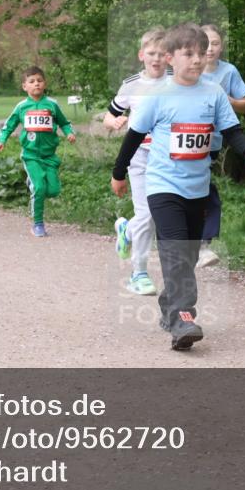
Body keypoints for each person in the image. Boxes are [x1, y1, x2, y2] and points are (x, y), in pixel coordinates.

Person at [111, 23, 245, 350]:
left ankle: (170, 308)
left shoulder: (212, 93)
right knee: (175, 249)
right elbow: (134, 137)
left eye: (200, 53)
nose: (196, 60)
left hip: (197, 188)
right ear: (170, 58)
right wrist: (119, 172)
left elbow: (233, 131)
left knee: (189, 253)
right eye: (188, 54)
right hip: (162, 185)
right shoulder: (157, 96)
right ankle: (184, 317)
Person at [104, 27, 167, 295]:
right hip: (139, 158)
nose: (156, 59)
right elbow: (108, 115)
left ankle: (126, 231)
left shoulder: (178, 82)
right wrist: (114, 121)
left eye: (162, 54)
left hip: (168, 159)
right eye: (151, 53)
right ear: (142, 55)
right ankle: (138, 274)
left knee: (156, 215)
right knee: (148, 214)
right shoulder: (131, 85)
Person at [0, 66, 76, 237]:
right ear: (25, 86)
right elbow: (9, 126)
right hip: (31, 156)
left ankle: (33, 184)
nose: (36, 84)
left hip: (49, 156)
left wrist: (69, 133)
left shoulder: (52, 105)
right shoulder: (21, 107)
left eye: (39, 81)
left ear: (44, 83)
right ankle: (38, 224)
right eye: (32, 82)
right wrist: (1, 141)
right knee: (39, 188)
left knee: (52, 191)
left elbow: (64, 122)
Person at [197, 24, 245, 268]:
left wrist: (225, 98)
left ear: (222, 46)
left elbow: (244, 105)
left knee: (202, 190)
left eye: (216, 43)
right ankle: (200, 246)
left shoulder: (229, 72)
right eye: (206, 43)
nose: (210, 48)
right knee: (201, 190)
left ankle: (199, 244)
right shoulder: (189, 69)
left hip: (214, 140)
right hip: (188, 140)